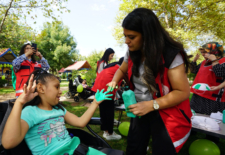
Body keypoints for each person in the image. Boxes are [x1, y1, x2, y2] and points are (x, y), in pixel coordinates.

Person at [106, 8, 191, 155]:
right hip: (140, 108)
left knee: (163, 150)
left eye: (131, 37)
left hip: (165, 111)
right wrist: (114, 81)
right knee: (134, 148)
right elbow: (122, 69)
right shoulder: (132, 51)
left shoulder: (171, 54)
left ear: (148, 35)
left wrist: (152, 105)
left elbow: (182, 92)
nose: (126, 41)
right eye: (125, 36)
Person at [2, 70, 112, 155]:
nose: (60, 91)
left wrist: (95, 103)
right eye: (56, 87)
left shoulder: (59, 109)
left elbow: (80, 122)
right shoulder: (30, 112)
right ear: (41, 88)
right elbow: (8, 143)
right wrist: (19, 103)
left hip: (77, 149)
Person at [92, 57, 125, 141]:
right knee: (109, 112)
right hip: (106, 88)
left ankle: (105, 131)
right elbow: (121, 83)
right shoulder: (121, 68)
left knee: (103, 111)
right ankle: (110, 133)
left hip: (99, 88)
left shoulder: (112, 66)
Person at [190, 42, 225, 115]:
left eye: (205, 52)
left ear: (214, 51)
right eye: (202, 52)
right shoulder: (204, 62)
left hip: (212, 98)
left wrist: (214, 60)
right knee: (194, 117)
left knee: (210, 121)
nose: (203, 54)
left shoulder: (223, 61)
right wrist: (194, 61)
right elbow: (193, 71)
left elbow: (219, 73)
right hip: (198, 95)